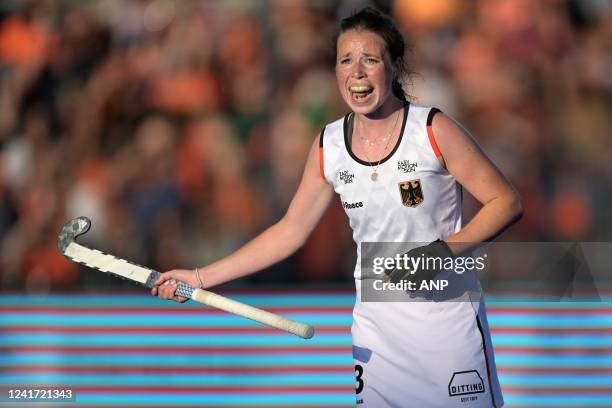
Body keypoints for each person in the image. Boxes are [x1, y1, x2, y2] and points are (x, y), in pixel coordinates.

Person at [152, 7, 522, 407]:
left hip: (449, 333)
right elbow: (289, 231)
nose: (357, 72)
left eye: (370, 60)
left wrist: (442, 252)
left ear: (394, 67)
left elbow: (506, 202)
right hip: (378, 343)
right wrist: (198, 277)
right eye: (345, 60)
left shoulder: (433, 129)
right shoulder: (329, 146)